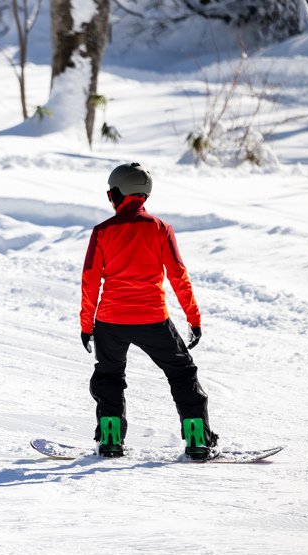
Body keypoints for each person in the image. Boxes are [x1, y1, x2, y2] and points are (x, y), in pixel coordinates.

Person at [80, 162, 218, 460]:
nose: (109, 198)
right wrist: (194, 320)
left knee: (109, 377)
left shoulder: (102, 232)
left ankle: (111, 438)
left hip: (110, 321)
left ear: (118, 194)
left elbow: (90, 279)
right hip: (153, 320)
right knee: (182, 374)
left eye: (110, 193)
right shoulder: (160, 229)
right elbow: (178, 276)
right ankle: (197, 439)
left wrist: (86, 324)